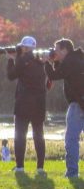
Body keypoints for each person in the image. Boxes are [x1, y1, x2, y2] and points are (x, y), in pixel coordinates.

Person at [7, 36, 48, 175]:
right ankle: (40, 168)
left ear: (25, 47)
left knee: (20, 135)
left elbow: (11, 75)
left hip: (23, 103)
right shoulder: (42, 58)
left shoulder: (22, 59)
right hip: (39, 103)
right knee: (39, 135)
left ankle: (20, 167)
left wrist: (11, 58)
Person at [44, 38, 84, 178]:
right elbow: (61, 72)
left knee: (71, 139)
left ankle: (72, 172)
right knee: (72, 139)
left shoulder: (70, 61)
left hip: (78, 105)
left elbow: (54, 75)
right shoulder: (76, 59)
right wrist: (54, 61)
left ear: (64, 49)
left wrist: (46, 63)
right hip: (80, 103)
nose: (54, 52)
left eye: (56, 50)